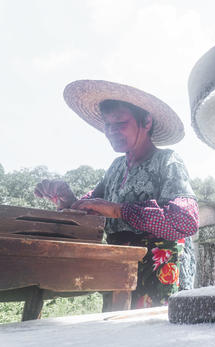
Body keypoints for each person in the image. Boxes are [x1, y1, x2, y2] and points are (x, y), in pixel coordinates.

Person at [34, 80, 199, 309]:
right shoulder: (115, 168)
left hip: (159, 279)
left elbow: (186, 220)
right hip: (118, 274)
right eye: (108, 125)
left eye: (120, 123)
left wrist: (119, 210)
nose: (112, 131)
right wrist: (68, 200)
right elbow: (91, 208)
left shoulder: (167, 161)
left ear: (147, 122)